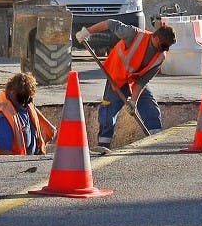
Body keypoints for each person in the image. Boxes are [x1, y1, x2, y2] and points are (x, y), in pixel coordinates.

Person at [75, 20, 176, 154]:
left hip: (133, 82)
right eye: (164, 46)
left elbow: (142, 81)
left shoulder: (160, 57)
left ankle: (155, 140)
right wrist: (87, 32)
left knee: (150, 107)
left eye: (168, 47)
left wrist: (133, 101)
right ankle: (103, 146)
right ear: (156, 38)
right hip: (116, 78)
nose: (165, 49)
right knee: (108, 113)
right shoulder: (134, 34)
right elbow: (110, 23)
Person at [0, 72, 56, 155]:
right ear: (14, 93)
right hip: (12, 162)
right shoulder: (2, 118)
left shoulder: (23, 100)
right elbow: (4, 153)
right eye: (25, 101)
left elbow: (31, 107)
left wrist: (47, 126)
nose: (28, 103)